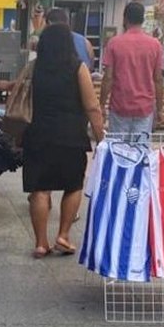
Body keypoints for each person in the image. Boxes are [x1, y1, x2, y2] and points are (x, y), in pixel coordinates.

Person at [23, 23, 104, 258]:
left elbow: (19, 93)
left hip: (37, 135)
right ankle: (63, 235)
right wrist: (100, 137)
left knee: (40, 189)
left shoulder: (33, 67)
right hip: (70, 136)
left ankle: (40, 243)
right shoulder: (77, 68)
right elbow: (91, 105)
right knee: (73, 185)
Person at [99, 2, 164, 137]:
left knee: (118, 150)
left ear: (125, 19)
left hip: (120, 106)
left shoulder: (114, 43)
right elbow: (158, 79)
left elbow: (108, 78)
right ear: (142, 19)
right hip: (144, 108)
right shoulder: (155, 45)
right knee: (140, 151)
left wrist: (101, 105)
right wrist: (159, 109)